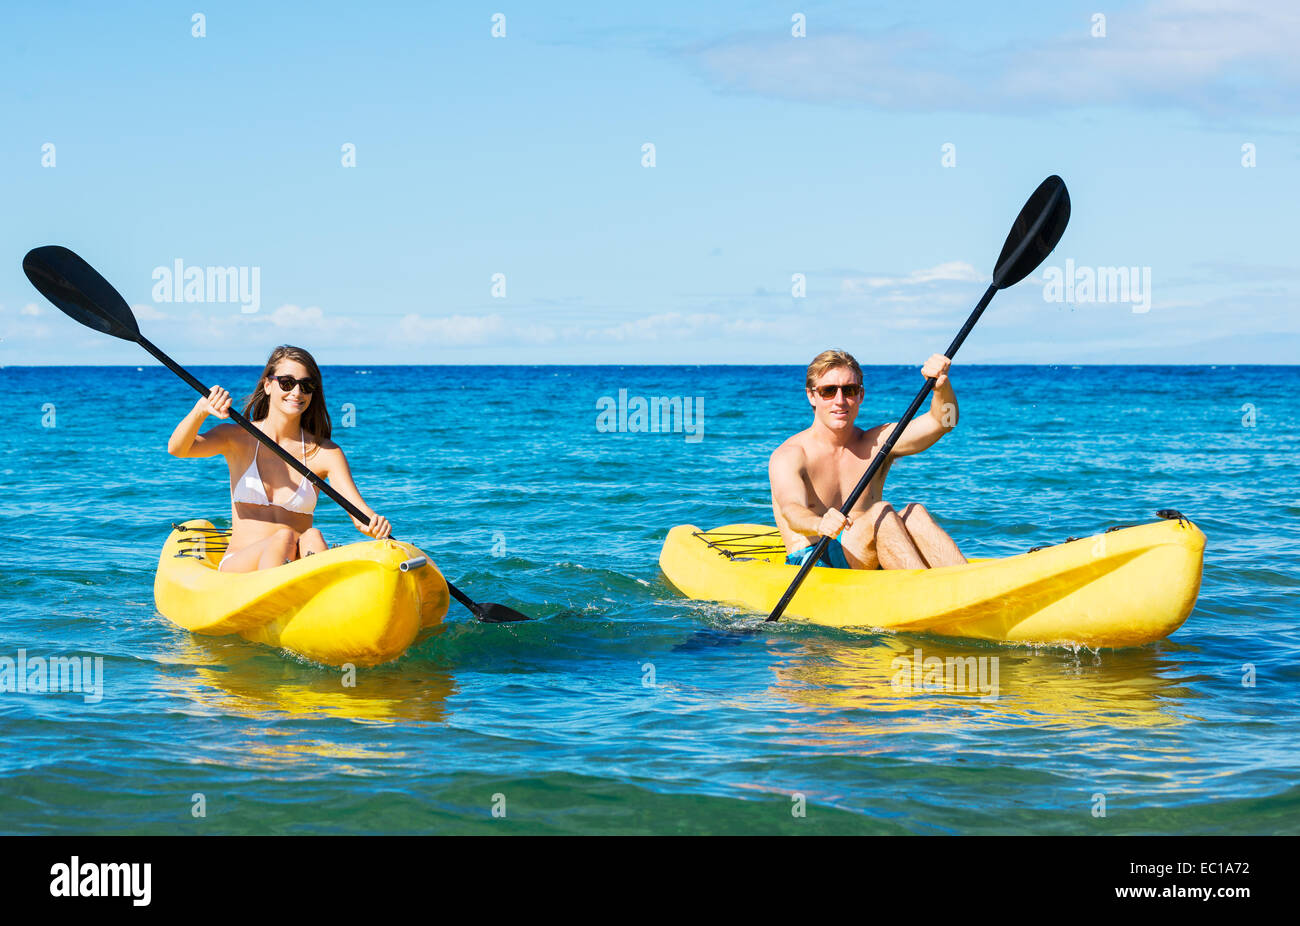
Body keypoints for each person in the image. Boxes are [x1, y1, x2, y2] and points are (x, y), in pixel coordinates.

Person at [167, 344, 391, 572]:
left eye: (307, 385)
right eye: (287, 383)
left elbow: (360, 516)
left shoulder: (326, 453)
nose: (297, 392)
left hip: (293, 569)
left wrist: (375, 524)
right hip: (240, 568)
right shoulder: (237, 437)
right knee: (284, 536)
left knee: (312, 536)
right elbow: (178, 449)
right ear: (267, 385)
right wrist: (201, 411)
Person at [769, 349, 967, 570]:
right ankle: (923, 591)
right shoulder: (791, 454)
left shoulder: (876, 442)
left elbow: (945, 421)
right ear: (811, 395)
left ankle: (969, 587)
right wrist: (819, 523)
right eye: (828, 391)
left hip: (865, 556)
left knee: (915, 514)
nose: (840, 401)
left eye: (849, 390)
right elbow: (791, 510)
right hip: (814, 562)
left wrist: (941, 386)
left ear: (861, 395)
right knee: (879, 514)